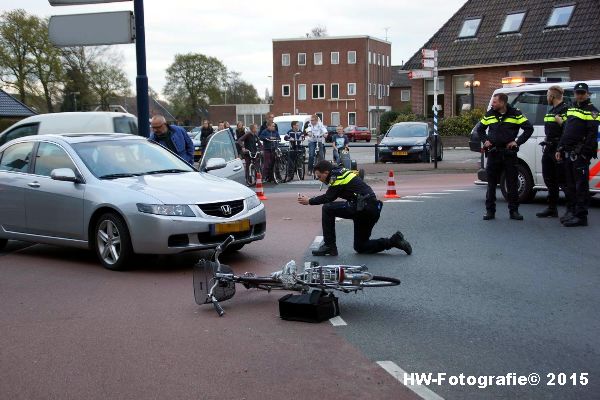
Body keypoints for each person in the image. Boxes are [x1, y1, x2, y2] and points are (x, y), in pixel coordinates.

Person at [297, 160, 412, 256]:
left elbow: (329, 197)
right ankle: (394, 241)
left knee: (327, 208)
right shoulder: (340, 171)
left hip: (363, 207)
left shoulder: (336, 176)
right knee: (360, 247)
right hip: (370, 209)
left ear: (326, 172)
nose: (319, 179)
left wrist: (309, 201)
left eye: (319, 176)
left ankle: (329, 246)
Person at [475, 93, 534, 220]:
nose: (492, 104)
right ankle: (490, 211)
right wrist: (485, 140)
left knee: (512, 183)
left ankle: (514, 211)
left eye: (495, 102)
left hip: (509, 154)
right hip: (494, 153)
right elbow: (480, 129)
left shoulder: (516, 113)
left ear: (502, 103)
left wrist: (517, 142)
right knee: (491, 184)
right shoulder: (490, 114)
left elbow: (529, 128)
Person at [556, 82, 599, 227]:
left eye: (582, 93)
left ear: (587, 94)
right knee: (571, 185)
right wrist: (560, 148)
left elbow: (592, 136)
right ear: (574, 94)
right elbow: (566, 131)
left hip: (580, 154)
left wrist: (584, 154)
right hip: (568, 151)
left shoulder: (592, 111)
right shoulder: (572, 108)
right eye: (577, 93)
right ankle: (573, 212)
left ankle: (581, 216)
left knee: (581, 186)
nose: (580, 95)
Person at [536, 86, 569, 218]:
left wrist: (561, 123)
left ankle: (570, 210)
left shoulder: (565, 110)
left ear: (552, 97)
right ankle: (552, 208)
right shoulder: (552, 110)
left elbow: (569, 131)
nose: (547, 98)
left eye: (547, 95)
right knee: (549, 179)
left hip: (558, 149)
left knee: (563, 181)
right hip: (549, 148)